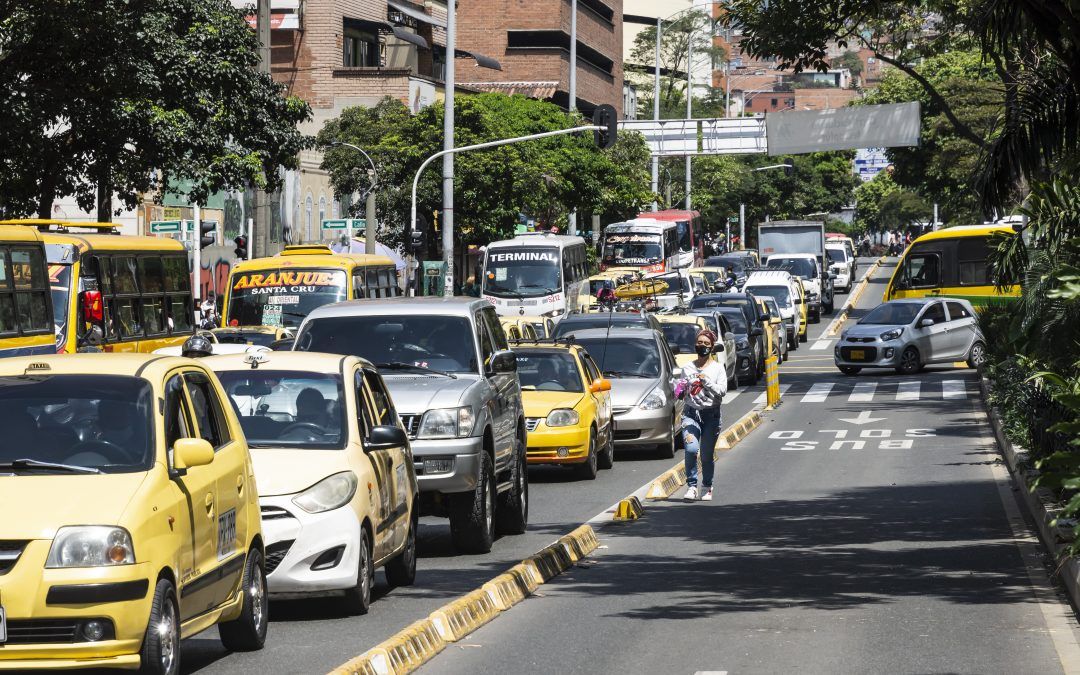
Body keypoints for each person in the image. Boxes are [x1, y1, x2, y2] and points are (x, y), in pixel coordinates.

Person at [672, 330, 727, 501]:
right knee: (691, 449)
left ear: (712, 347)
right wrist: (679, 389)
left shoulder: (717, 369)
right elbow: (680, 392)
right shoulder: (687, 368)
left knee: (706, 454)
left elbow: (722, 391)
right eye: (699, 343)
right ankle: (692, 486)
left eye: (705, 344)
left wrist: (706, 381)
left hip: (711, 415)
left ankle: (707, 486)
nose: (701, 346)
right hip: (691, 414)